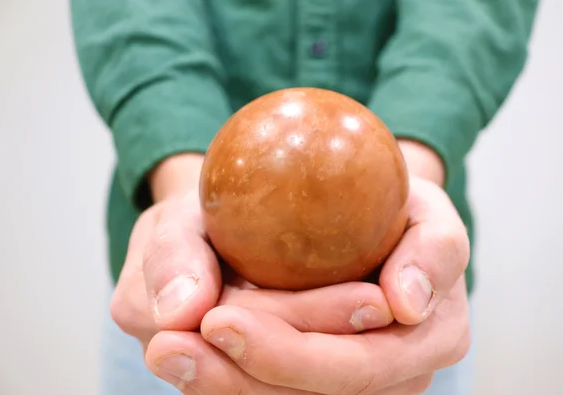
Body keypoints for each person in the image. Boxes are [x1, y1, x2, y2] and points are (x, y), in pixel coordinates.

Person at [70, 1, 538, 394]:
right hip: (179, 314)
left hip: (401, 322)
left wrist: (401, 187)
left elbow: (465, 19)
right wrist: (182, 197)